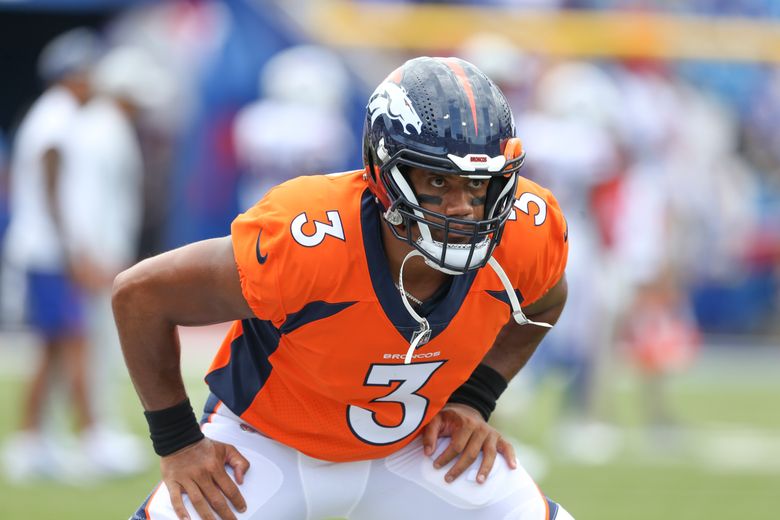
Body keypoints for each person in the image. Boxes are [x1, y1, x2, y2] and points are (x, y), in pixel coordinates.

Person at [115, 56, 573, 519]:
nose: (464, 208)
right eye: (438, 179)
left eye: (481, 183)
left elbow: (548, 298)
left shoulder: (525, 229)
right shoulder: (310, 237)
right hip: (265, 444)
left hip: (414, 445)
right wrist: (178, 443)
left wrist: (474, 398)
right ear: (385, 171)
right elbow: (140, 295)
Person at [1, 28, 102, 481]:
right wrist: (72, 250)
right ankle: (89, 440)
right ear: (71, 76)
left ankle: (30, 441)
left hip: (41, 247)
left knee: (51, 347)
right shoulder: (59, 117)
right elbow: (51, 183)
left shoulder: (49, 114)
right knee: (73, 341)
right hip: (50, 252)